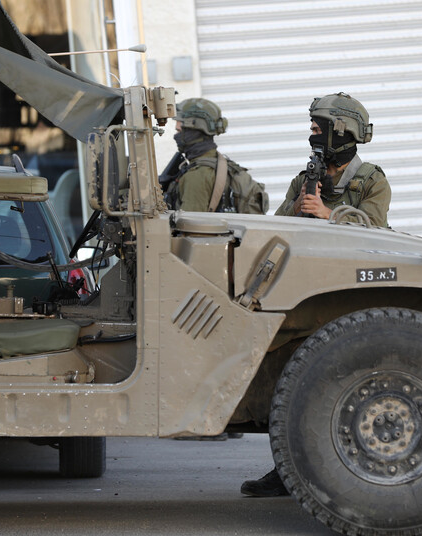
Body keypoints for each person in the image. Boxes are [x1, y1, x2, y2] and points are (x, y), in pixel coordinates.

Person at [241, 93, 391, 498]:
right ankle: (288, 470)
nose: (312, 131)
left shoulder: (369, 180)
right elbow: (275, 232)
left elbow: (378, 234)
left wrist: (329, 214)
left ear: (342, 130)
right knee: (287, 382)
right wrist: (301, 208)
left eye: (318, 125)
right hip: (305, 296)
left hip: (352, 299)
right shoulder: (305, 177)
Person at [275, 92, 390, 227]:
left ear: (339, 133)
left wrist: (326, 213)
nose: (312, 137)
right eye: (312, 131)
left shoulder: (372, 182)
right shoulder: (303, 181)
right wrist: (298, 204)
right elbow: (276, 227)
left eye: (318, 131)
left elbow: (375, 230)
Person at [163, 98, 267, 214]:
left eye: (179, 131)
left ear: (193, 130)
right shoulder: (222, 164)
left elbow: (189, 227)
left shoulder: (197, 175)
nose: (176, 136)